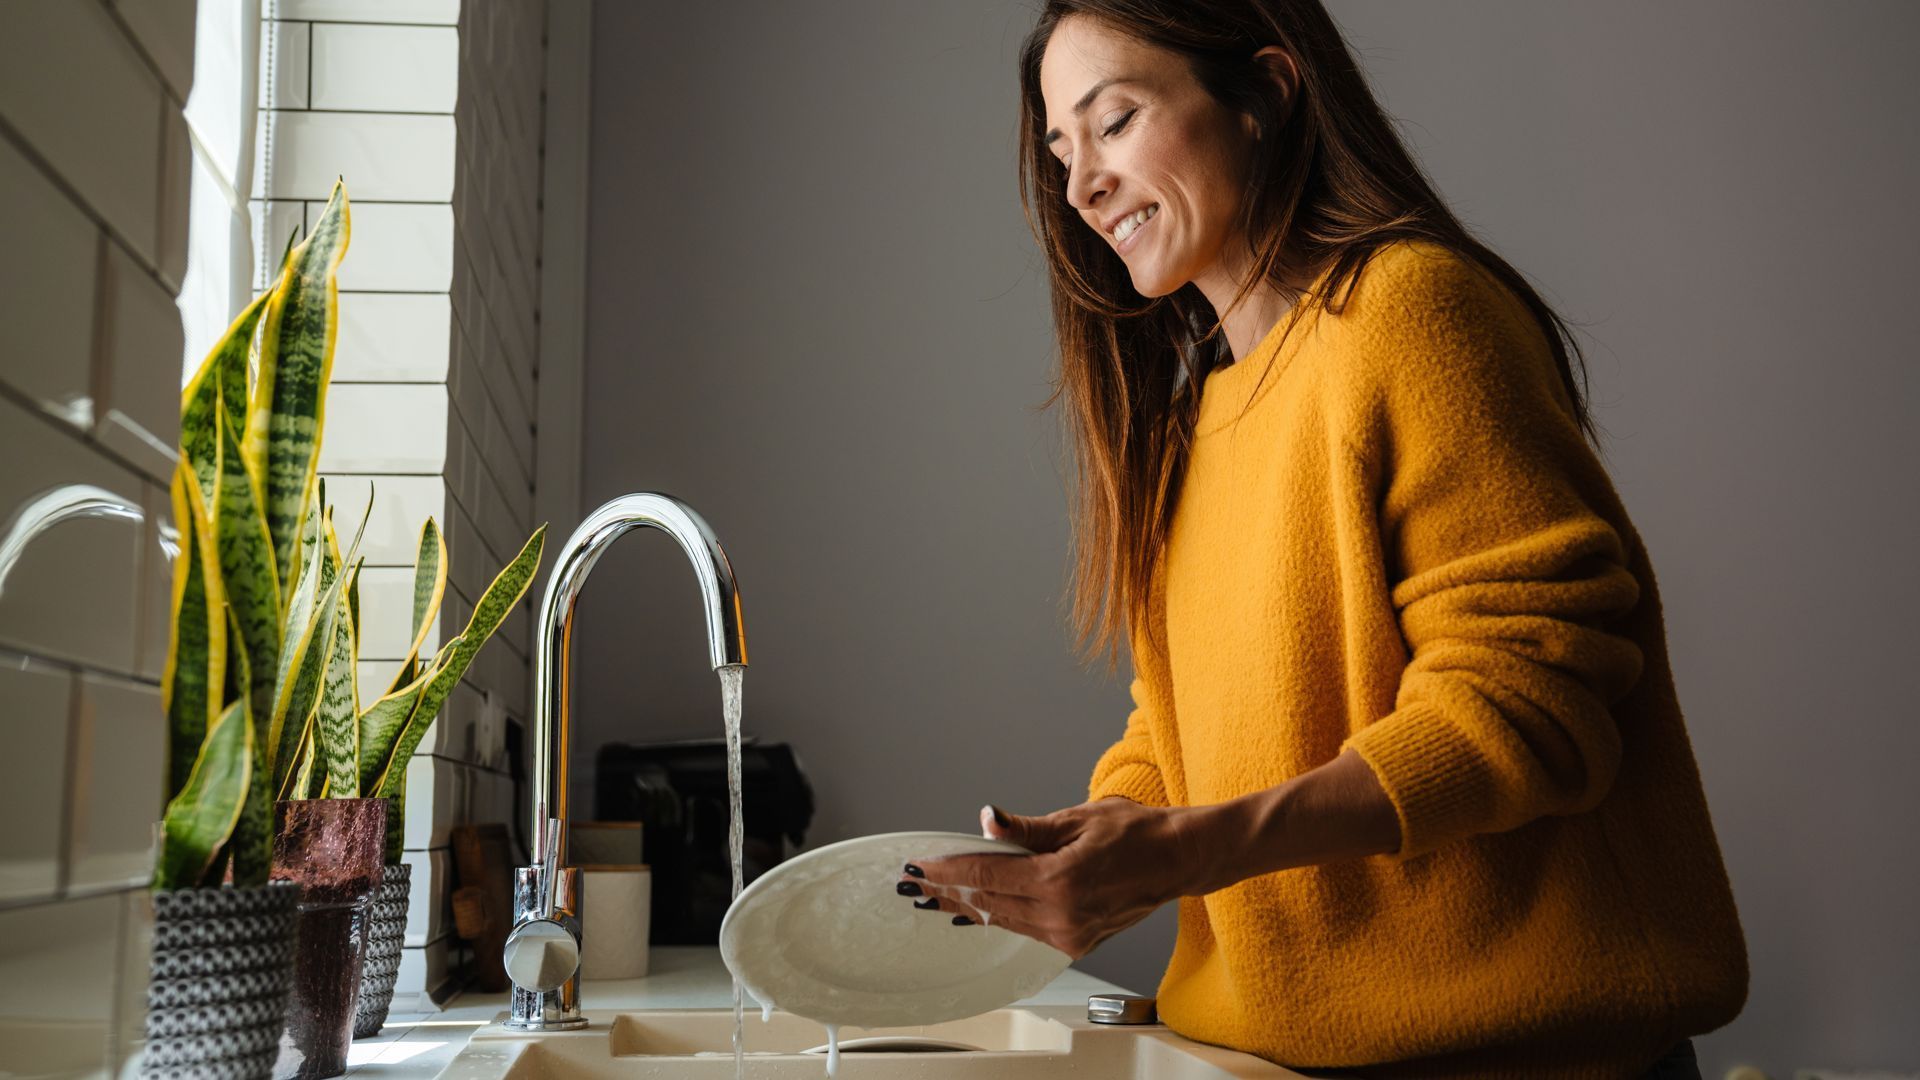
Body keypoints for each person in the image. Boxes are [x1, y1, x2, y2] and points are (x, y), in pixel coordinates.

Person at [897, 3, 1749, 1078]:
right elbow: (1179, 728)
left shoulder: (1413, 313)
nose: (1080, 189)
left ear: (1264, 93)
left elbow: (1531, 704)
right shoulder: (1191, 418)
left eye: (1112, 123)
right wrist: (1108, 831)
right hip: (1267, 1057)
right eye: (1061, 151)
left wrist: (1188, 851)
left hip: (1521, 1058)